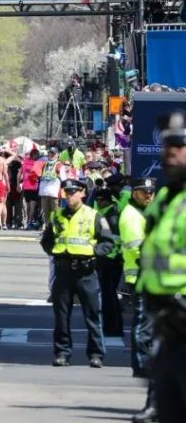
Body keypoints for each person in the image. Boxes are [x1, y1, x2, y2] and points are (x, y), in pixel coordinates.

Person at [136, 111, 186, 423]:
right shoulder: (166, 197)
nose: (170, 154)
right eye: (167, 146)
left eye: (179, 147)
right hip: (168, 325)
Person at [41, 179, 114, 367]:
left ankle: (96, 354)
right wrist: (55, 252)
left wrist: (93, 253)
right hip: (63, 271)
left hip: (86, 272)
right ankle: (62, 353)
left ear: (82, 193)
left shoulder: (93, 215)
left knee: (93, 315)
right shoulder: (57, 215)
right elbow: (46, 240)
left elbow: (107, 243)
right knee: (61, 317)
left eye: (73, 192)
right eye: (67, 192)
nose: (69, 196)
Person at [120, 177, 157, 423]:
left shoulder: (147, 212)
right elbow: (137, 247)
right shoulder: (131, 215)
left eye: (151, 192)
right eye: (144, 192)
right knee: (143, 326)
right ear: (134, 193)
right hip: (141, 275)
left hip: (154, 276)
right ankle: (142, 365)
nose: (149, 195)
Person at [93, 187, 124, 340]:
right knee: (109, 295)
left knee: (109, 296)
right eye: (97, 200)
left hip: (110, 261)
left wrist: (105, 257)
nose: (98, 203)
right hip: (110, 259)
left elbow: (114, 241)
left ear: (107, 201)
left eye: (100, 200)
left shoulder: (111, 216)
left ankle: (112, 327)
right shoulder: (107, 214)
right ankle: (111, 326)